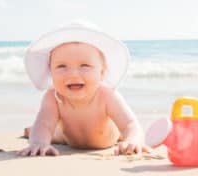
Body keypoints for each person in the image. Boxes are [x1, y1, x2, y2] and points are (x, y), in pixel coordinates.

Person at [18, 21, 150, 156]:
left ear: (102, 72)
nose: (73, 74)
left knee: (122, 135)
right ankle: (34, 132)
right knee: (49, 133)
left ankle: (123, 138)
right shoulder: (53, 97)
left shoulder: (107, 95)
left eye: (85, 65)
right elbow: (45, 123)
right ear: (50, 71)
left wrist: (133, 139)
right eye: (61, 66)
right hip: (67, 139)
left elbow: (130, 124)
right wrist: (39, 142)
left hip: (108, 138)